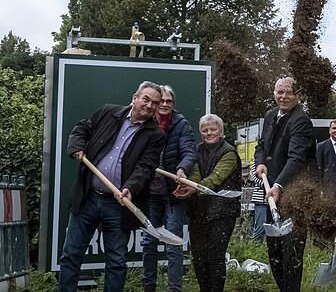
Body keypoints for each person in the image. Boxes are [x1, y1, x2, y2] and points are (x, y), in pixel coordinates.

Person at [59, 81, 166, 292]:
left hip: (118, 205)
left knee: (116, 262)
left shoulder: (156, 135)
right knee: (71, 255)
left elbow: (146, 167)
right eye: (146, 99)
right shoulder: (109, 112)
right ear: (135, 97)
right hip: (87, 197)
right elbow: (82, 128)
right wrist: (77, 146)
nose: (149, 105)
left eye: (155, 103)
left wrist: (130, 188)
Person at [254, 77, 316, 291]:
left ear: (297, 96)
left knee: (291, 253)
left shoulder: (301, 121)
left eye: (289, 92)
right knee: (275, 251)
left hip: (293, 195)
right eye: (280, 92)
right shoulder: (271, 115)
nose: (284, 96)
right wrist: (260, 162)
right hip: (271, 192)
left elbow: (296, 159)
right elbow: (261, 145)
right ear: (274, 93)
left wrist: (278, 186)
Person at [174, 114, 241, 292]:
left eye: (213, 129)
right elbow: (195, 173)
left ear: (221, 131)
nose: (209, 133)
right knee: (198, 257)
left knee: (215, 256)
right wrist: (188, 186)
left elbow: (216, 178)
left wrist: (194, 188)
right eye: (205, 130)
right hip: (198, 211)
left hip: (222, 212)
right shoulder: (196, 150)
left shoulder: (230, 152)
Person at [142, 85, 196, 292]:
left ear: (173, 104)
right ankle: (149, 287)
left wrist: (183, 169)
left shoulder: (181, 124)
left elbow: (189, 151)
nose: (165, 104)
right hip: (149, 194)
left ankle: (174, 289)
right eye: (161, 101)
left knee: (173, 244)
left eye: (169, 102)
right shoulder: (145, 123)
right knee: (148, 242)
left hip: (173, 194)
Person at [317, 119, 336, 198]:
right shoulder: (321, 146)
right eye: (334, 128)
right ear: (329, 131)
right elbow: (319, 168)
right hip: (329, 188)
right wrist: (320, 188)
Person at [248, 163, 267, 241]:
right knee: (260, 229)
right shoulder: (257, 162)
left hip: (277, 199)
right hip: (261, 201)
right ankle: (254, 250)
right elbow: (256, 177)